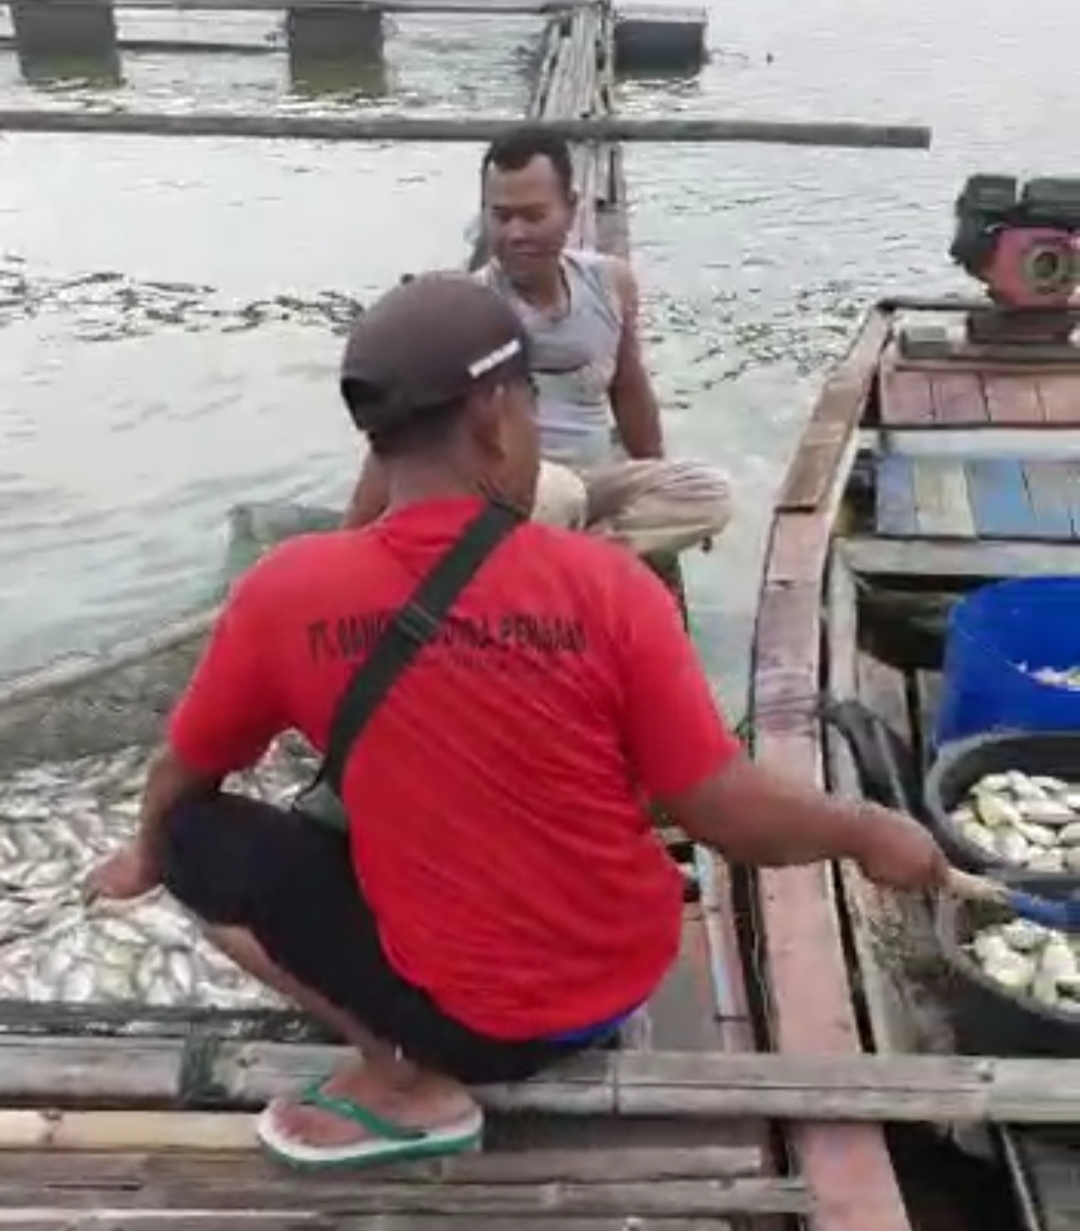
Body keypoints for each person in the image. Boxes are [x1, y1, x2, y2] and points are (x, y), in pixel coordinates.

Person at [86, 272, 949, 1173]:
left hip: (466, 1026)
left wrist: (147, 856)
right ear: (498, 416)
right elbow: (720, 809)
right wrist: (865, 829)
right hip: (613, 987)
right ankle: (421, 1064)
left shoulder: (284, 594)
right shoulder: (608, 587)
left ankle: (401, 1070)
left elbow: (180, 776)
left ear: (379, 446)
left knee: (192, 837)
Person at [342, 124, 731, 558]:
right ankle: (576, 560)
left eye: (533, 216)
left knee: (708, 491)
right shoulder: (469, 310)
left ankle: (580, 555)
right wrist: (350, 539)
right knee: (554, 494)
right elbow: (401, 434)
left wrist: (655, 470)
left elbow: (630, 388)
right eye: (501, 216)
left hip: (591, 481)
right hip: (514, 491)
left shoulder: (611, 283)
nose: (515, 234)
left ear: (571, 209)